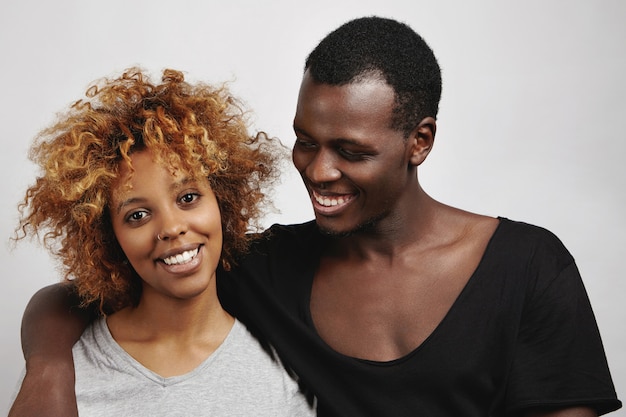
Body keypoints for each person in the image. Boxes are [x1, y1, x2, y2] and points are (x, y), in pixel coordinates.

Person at [9, 17, 622, 417]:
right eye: (306, 141)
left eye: (351, 152)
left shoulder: (527, 268)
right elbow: (86, 293)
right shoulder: (267, 267)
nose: (318, 171)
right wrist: (49, 372)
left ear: (420, 141)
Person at [8, 68, 314, 416]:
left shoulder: (281, 372)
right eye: (137, 215)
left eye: (187, 198)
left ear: (222, 201)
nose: (171, 228)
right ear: (109, 237)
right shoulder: (64, 379)